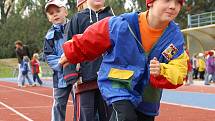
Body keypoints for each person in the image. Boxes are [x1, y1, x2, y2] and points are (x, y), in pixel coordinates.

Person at [60, 0, 188, 121]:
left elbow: (180, 68)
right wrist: (71, 52)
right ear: (151, 3)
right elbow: (93, 38)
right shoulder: (123, 23)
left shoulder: (174, 38)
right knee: (126, 117)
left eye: (178, 2)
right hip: (120, 84)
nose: (173, 6)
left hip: (148, 95)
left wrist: (163, 70)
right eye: (167, 0)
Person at [66, 0, 113, 121]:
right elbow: (68, 47)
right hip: (85, 80)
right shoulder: (77, 19)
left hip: (109, 79)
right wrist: (72, 75)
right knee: (84, 116)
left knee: (110, 116)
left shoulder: (112, 18)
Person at [43, 0, 78, 121]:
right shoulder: (49, 36)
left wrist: (74, 61)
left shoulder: (75, 27)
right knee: (58, 104)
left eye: (58, 11)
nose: (55, 14)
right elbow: (48, 56)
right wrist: (63, 62)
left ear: (66, 12)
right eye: (51, 13)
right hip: (60, 77)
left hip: (76, 74)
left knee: (79, 104)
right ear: (48, 18)